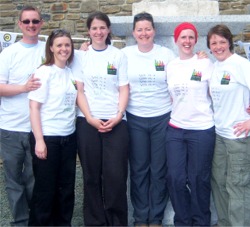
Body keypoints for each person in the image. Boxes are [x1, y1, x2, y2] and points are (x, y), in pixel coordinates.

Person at [71, 11, 129, 226]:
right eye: (94, 28)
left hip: (116, 121)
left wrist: (118, 115)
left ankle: (116, 221)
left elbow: (124, 88)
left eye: (102, 27)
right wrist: (90, 118)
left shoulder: (118, 55)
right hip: (88, 121)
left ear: (108, 30)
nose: (98, 32)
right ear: (88, 31)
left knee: (115, 175)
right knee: (91, 176)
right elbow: (80, 90)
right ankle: (95, 221)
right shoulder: (80, 56)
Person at [121, 12, 175, 227]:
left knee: (159, 169)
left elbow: (180, 75)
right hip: (135, 118)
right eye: (140, 29)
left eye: (148, 29)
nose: (144, 33)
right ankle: (141, 217)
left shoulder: (167, 54)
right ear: (134, 32)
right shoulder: (124, 54)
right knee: (139, 169)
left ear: (154, 31)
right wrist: (85, 48)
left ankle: (156, 217)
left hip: (162, 117)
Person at [166, 22, 215, 226]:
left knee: (198, 179)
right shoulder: (171, 66)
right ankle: (183, 221)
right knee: (175, 178)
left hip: (202, 130)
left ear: (196, 40)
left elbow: (217, 94)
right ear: (176, 40)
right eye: (183, 37)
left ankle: (201, 221)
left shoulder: (205, 64)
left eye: (191, 37)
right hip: (176, 129)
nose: (187, 41)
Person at [0, 5, 45, 226]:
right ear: (19, 24)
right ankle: (20, 221)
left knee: (34, 179)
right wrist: (24, 88)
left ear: (41, 24)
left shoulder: (48, 51)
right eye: (26, 22)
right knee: (13, 179)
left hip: (38, 128)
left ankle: (35, 220)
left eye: (35, 21)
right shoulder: (9, 53)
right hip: (10, 127)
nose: (31, 25)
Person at [27, 29, 77, 226]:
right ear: (51, 48)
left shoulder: (70, 72)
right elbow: (34, 107)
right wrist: (39, 140)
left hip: (68, 137)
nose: (64, 49)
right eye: (59, 45)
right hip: (48, 138)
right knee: (45, 191)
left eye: (67, 45)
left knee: (66, 190)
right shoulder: (44, 72)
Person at [207, 24, 250, 227]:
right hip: (219, 135)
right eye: (213, 43)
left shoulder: (240, 64)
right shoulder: (214, 67)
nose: (218, 46)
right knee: (219, 183)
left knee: (238, 185)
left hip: (238, 138)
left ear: (230, 42)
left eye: (222, 41)